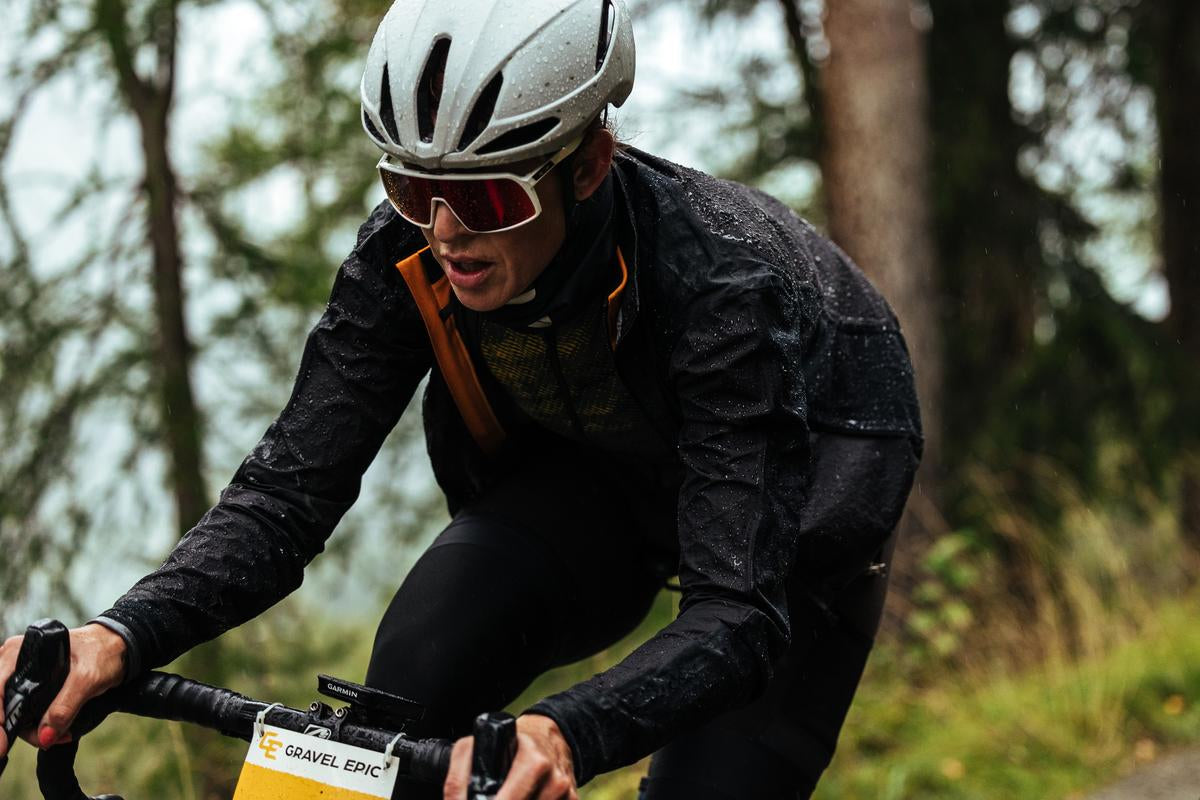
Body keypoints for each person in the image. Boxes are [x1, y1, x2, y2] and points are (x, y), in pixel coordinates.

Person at [0, 0, 922, 797]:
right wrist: (120, 634)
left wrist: (564, 731)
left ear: (590, 163)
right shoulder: (404, 253)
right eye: (412, 188)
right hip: (592, 478)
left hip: (803, 508)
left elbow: (738, 614)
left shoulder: (723, 291)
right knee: (415, 672)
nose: (444, 233)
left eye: (483, 200)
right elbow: (288, 495)